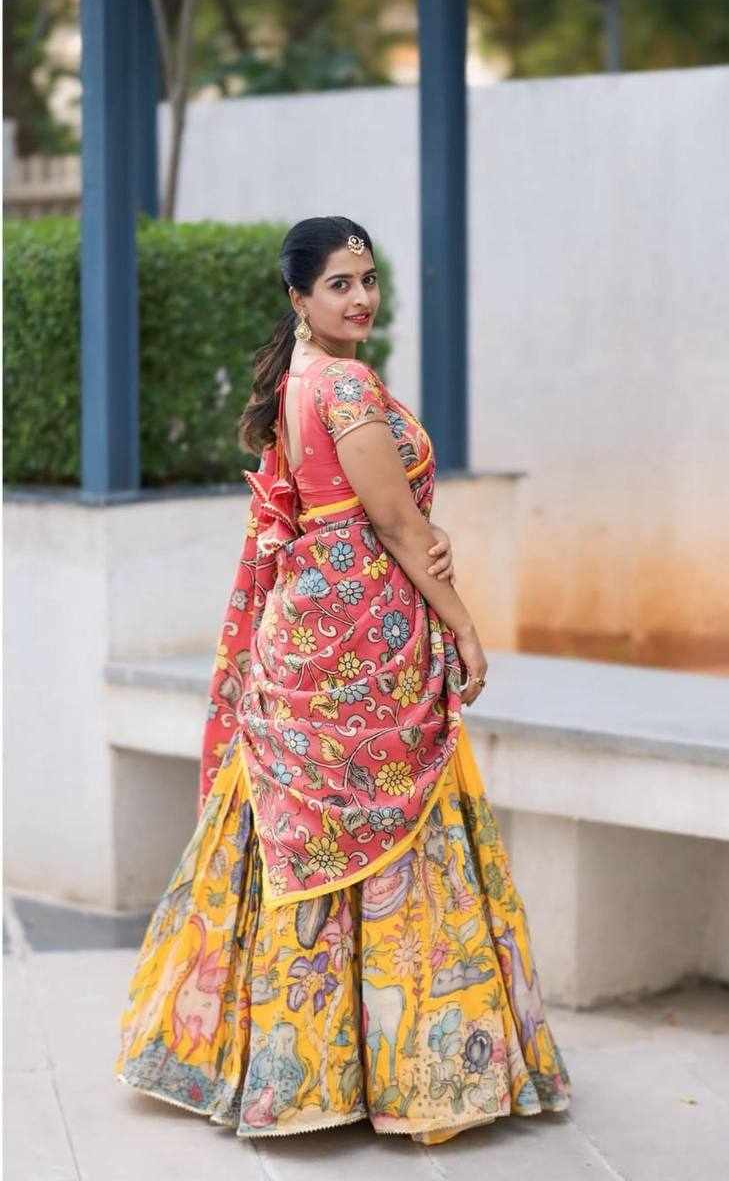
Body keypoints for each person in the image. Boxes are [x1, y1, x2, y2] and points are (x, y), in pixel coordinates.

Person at [114, 215, 571, 1144]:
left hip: (308, 628)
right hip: (362, 642)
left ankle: (285, 1066)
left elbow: (352, 510)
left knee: (291, 832)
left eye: (367, 280)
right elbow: (395, 527)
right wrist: (465, 629)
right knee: (395, 825)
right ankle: (413, 1072)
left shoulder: (299, 377)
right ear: (299, 297)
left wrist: (417, 535)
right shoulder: (347, 385)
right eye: (339, 284)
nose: (360, 297)